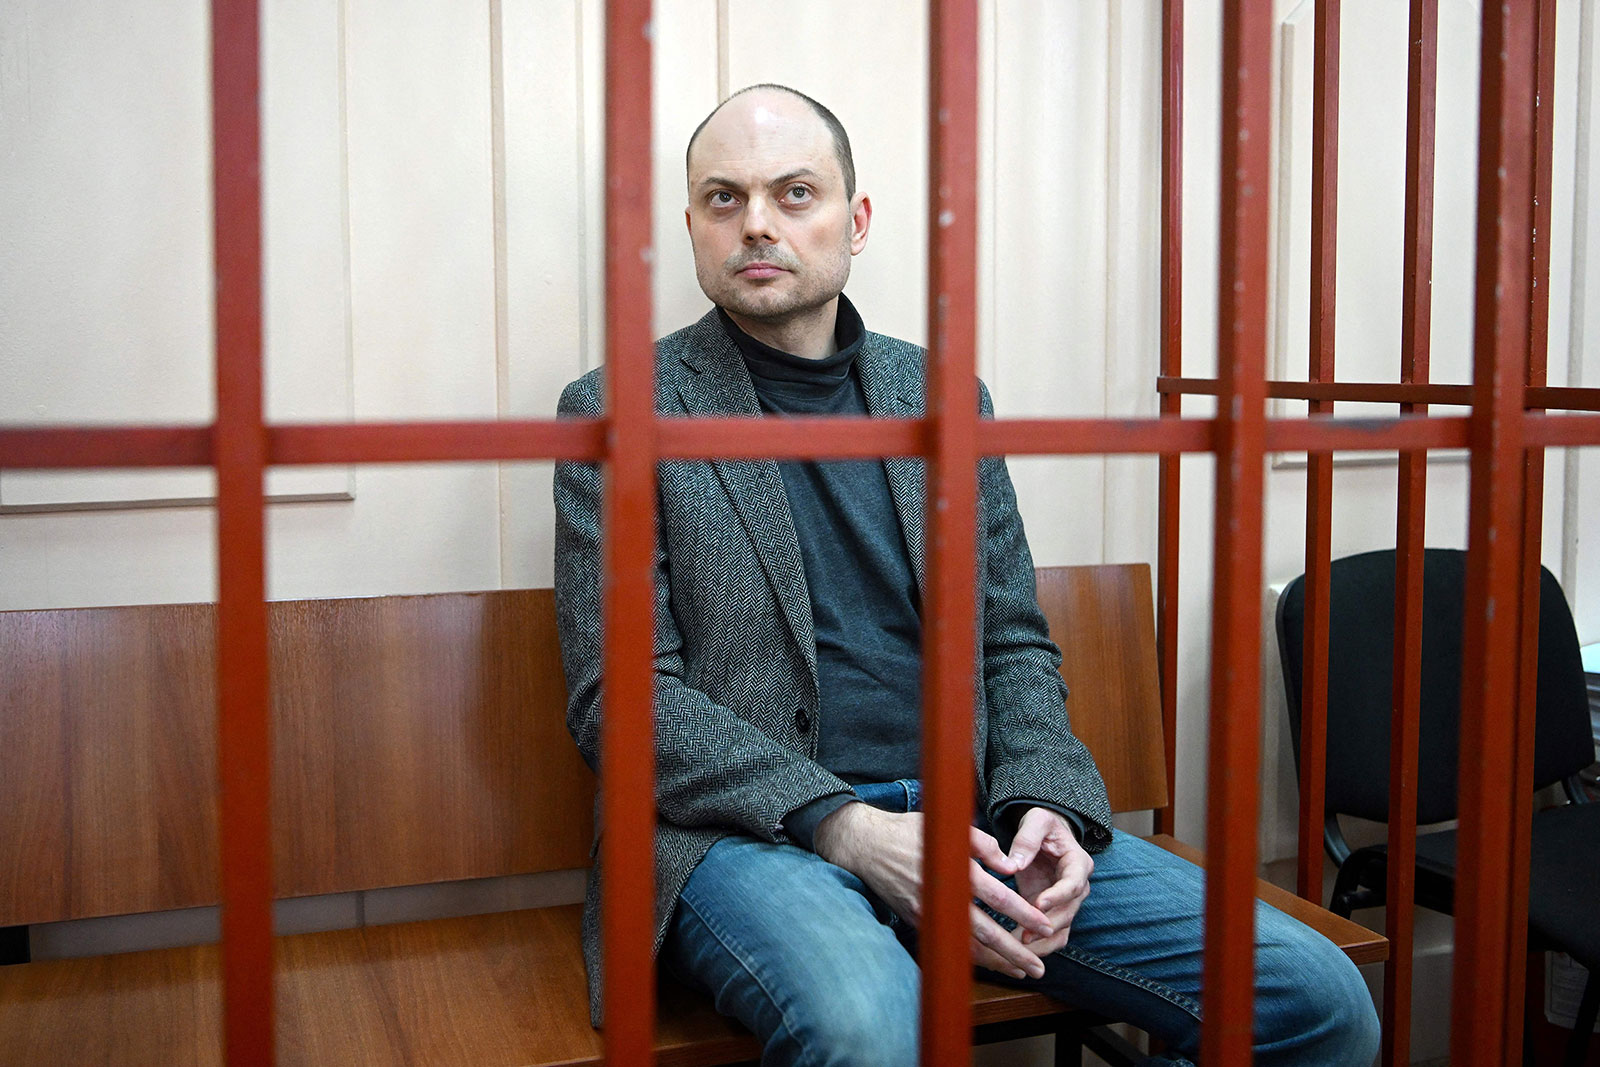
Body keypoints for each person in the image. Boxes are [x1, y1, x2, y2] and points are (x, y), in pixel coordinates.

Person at [553, 83, 1380, 1066]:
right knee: (867, 1029)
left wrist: (1046, 804)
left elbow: (1011, 640)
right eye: (724, 199)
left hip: (975, 817)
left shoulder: (943, 397)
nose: (758, 223)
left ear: (855, 221)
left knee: (1312, 995)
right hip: (749, 838)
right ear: (691, 224)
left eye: (795, 192)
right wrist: (846, 827)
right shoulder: (618, 409)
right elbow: (622, 694)